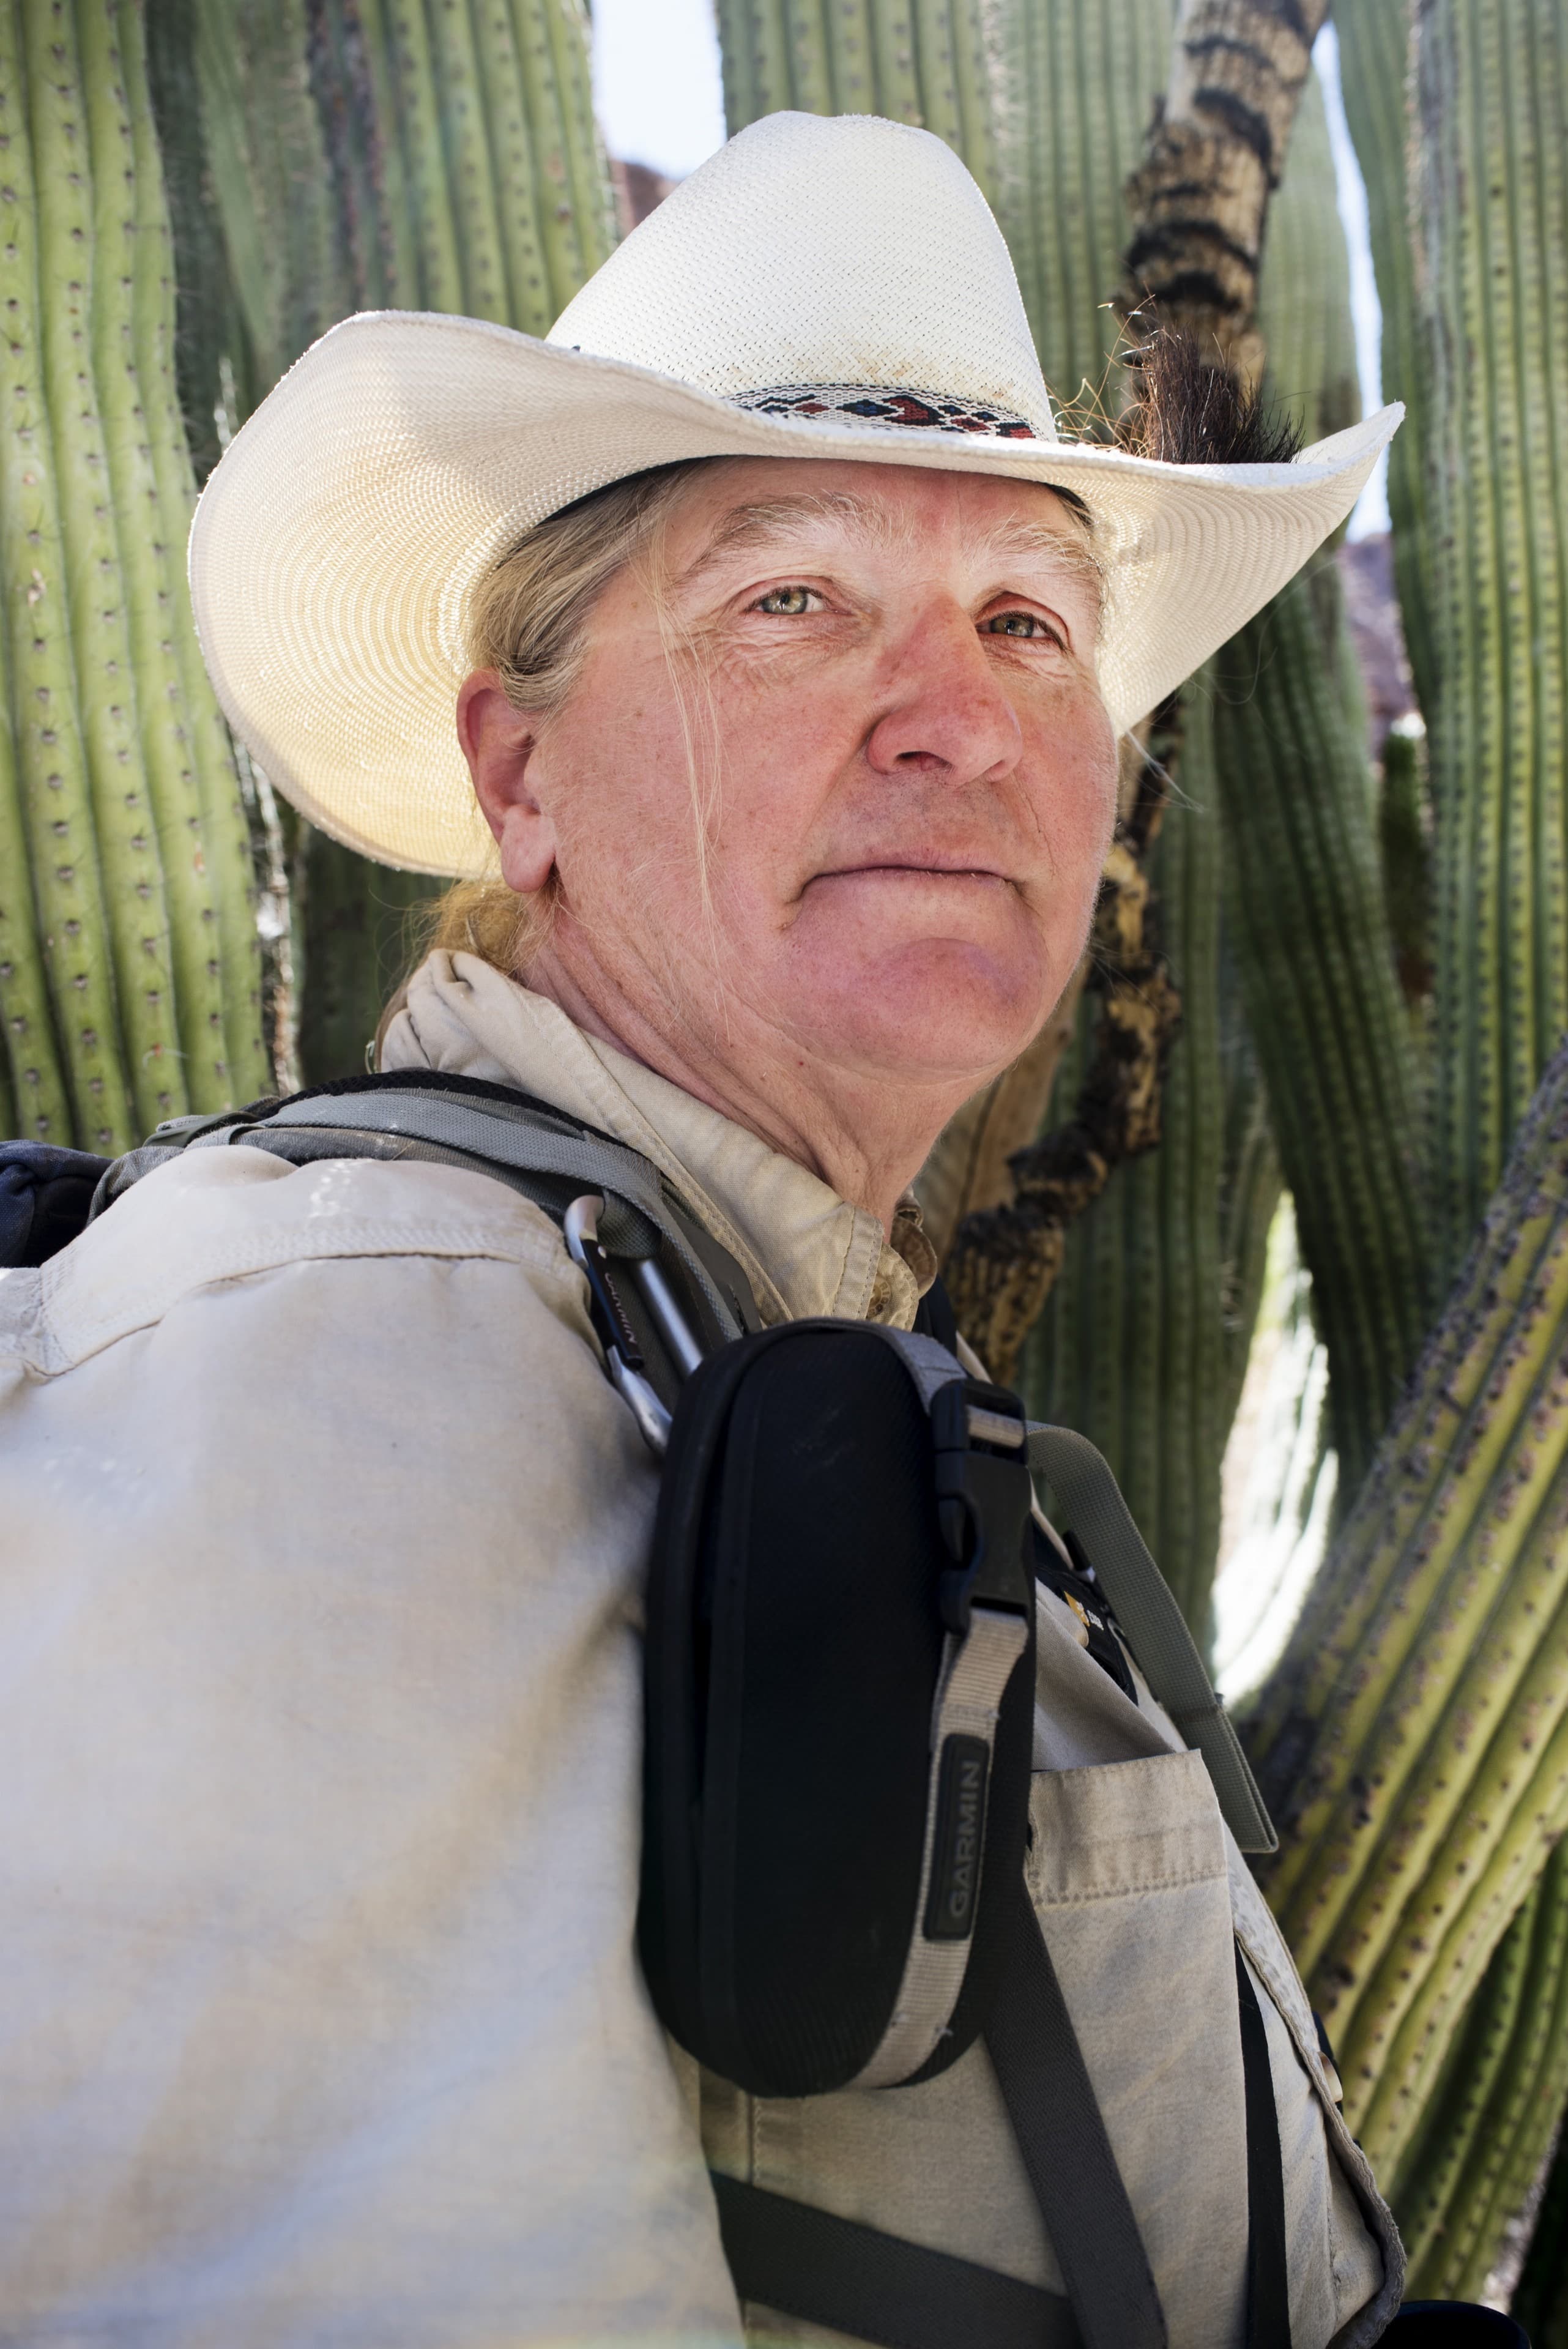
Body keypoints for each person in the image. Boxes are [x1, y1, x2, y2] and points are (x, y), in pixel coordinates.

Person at [0, 111, 1404, 2347]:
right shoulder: (359, 1357)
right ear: (519, 775)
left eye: (1028, 623)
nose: (959, 721)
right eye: (792, 602)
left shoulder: (708, 1332)